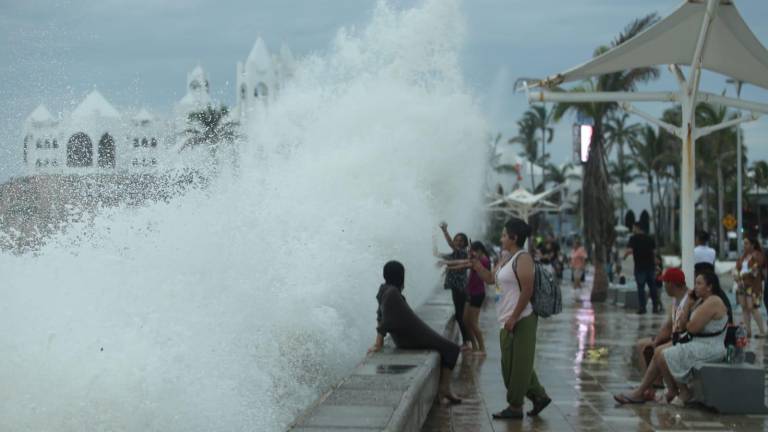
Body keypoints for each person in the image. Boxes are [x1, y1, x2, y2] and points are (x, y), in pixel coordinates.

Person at [471, 217, 551, 420]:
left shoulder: (523, 258)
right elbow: (491, 279)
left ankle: (515, 408)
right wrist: (476, 265)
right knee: (509, 366)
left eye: (505, 234)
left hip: (522, 318)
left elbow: (527, 290)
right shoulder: (505, 257)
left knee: (520, 365)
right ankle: (539, 396)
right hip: (505, 317)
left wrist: (515, 317)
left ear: (514, 237)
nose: (501, 237)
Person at [614, 271, 729, 405]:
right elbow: (681, 325)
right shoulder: (700, 302)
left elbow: (691, 328)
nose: (695, 287)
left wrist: (687, 313)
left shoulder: (713, 301)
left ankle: (678, 391)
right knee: (660, 354)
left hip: (710, 347)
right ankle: (656, 391)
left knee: (664, 354)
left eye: (699, 283)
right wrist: (687, 305)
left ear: (709, 287)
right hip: (699, 343)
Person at [369, 260, 462, 403]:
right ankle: (445, 389)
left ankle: (445, 388)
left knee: (446, 348)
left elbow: (380, 315)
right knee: (452, 349)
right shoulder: (392, 292)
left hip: (403, 337)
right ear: (400, 276)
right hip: (409, 338)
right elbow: (385, 321)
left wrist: (379, 342)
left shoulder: (384, 289)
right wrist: (378, 343)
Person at [633, 268, 691, 395]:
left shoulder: (689, 299)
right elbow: (668, 326)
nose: (663, 286)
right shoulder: (676, 299)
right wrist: (656, 340)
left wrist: (660, 342)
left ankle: (664, 389)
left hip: (683, 339)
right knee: (642, 345)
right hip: (674, 336)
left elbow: (683, 327)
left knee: (660, 351)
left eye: (665, 283)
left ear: (671, 284)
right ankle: (651, 386)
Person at [439, 222, 471, 350]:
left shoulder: (462, 252)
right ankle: (467, 341)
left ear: (464, 243)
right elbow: (438, 254)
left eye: (460, 240)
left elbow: (451, 246)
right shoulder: (455, 255)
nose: (457, 242)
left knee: (459, 315)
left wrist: (445, 231)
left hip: (460, 288)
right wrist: (432, 242)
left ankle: (467, 342)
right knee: (459, 315)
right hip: (456, 288)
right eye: (456, 240)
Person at [625, 222, 661, 314]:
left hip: (640, 267)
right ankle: (655, 307)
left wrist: (624, 256)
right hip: (650, 266)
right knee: (652, 287)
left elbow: (629, 250)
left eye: (633, 228)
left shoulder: (633, 239)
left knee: (641, 288)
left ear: (637, 228)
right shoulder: (650, 238)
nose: (632, 230)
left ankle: (642, 308)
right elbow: (654, 252)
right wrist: (656, 264)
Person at [736, 237, 766, 338]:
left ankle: (762, 331)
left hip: (753, 286)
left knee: (753, 308)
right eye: (743, 243)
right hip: (742, 284)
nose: (744, 245)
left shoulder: (757, 255)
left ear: (752, 244)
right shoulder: (743, 256)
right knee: (744, 308)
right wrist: (737, 276)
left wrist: (742, 275)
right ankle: (748, 331)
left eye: (746, 243)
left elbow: (755, 271)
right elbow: (737, 268)